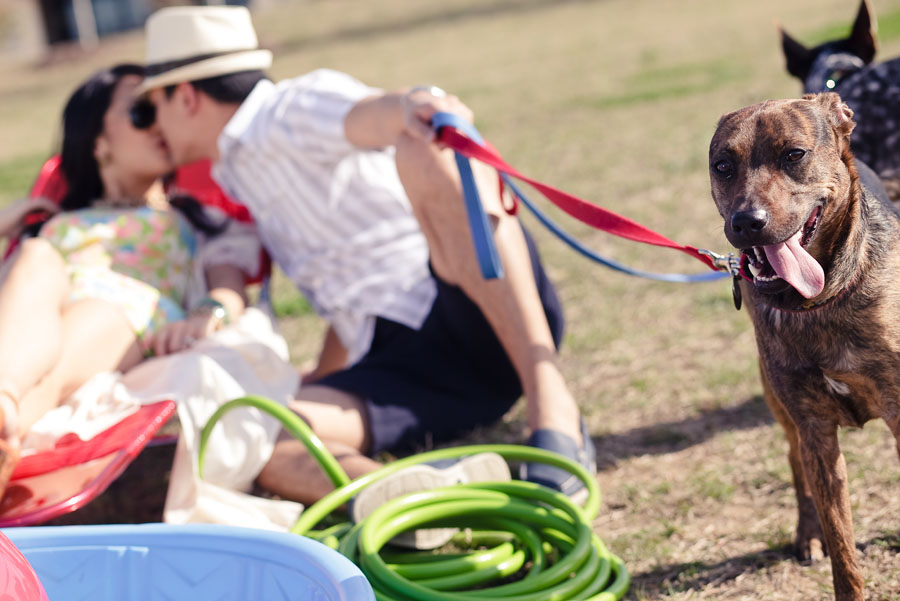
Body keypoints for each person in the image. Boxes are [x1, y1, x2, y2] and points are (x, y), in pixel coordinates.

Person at [137, 5, 595, 509]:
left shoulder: (288, 109)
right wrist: (320, 377)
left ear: (184, 96)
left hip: (473, 307)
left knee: (425, 148)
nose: (153, 125)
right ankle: (428, 502)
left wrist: (410, 106)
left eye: (149, 107)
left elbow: (372, 116)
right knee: (261, 438)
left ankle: (552, 407)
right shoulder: (236, 172)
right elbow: (348, 290)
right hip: (404, 366)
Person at [0, 64, 263, 498]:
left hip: (125, 312)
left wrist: (208, 312)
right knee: (35, 255)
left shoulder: (193, 219)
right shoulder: (52, 224)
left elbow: (228, 285)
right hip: (40, 319)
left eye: (160, 109)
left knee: (88, 317)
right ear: (98, 142)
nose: (160, 123)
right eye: (142, 113)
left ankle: (8, 413)